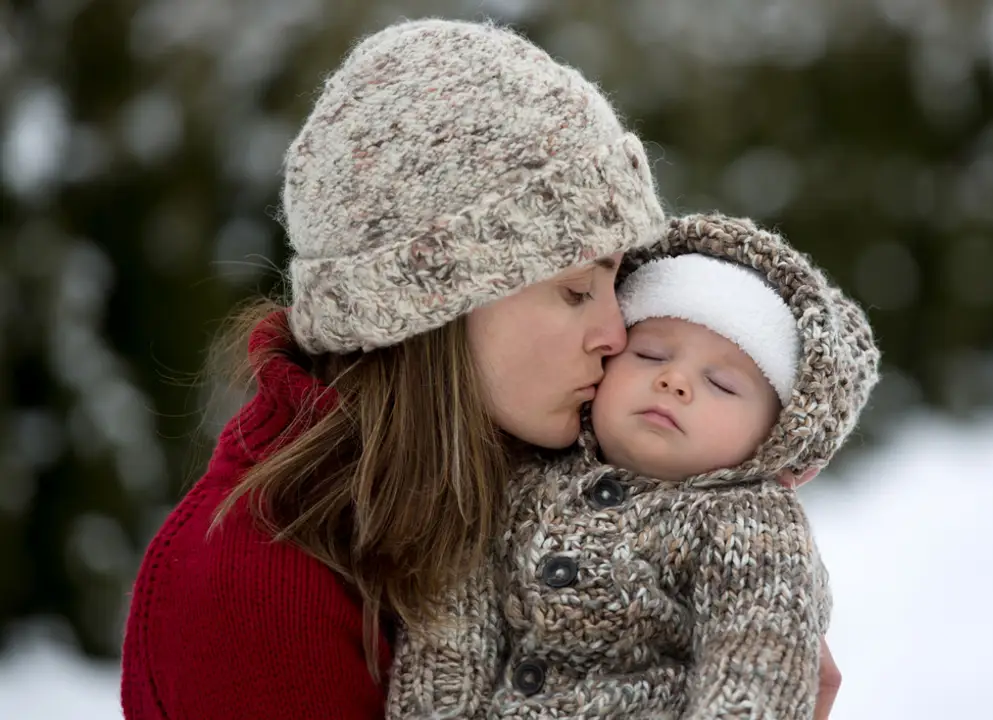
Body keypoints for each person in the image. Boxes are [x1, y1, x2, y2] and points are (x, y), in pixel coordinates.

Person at [119, 18, 843, 720]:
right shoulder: (252, 597)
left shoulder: (504, 477)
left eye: (616, 284)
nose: (614, 332)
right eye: (574, 290)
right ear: (435, 302)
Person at [386, 214, 879, 719]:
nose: (674, 381)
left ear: (774, 438)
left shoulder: (751, 523)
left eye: (722, 385)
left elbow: (758, 652)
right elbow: (455, 620)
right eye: (649, 354)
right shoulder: (521, 477)